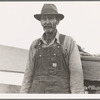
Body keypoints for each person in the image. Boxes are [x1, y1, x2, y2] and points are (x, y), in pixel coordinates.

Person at [20, 4, 84, 94]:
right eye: (44, 19)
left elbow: (76, 75)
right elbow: (27, 76)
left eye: (50, 18)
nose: (47, 22)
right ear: (41, 22)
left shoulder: (68, 42)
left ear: (57, 21)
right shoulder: (34, 45)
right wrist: (23, 95)